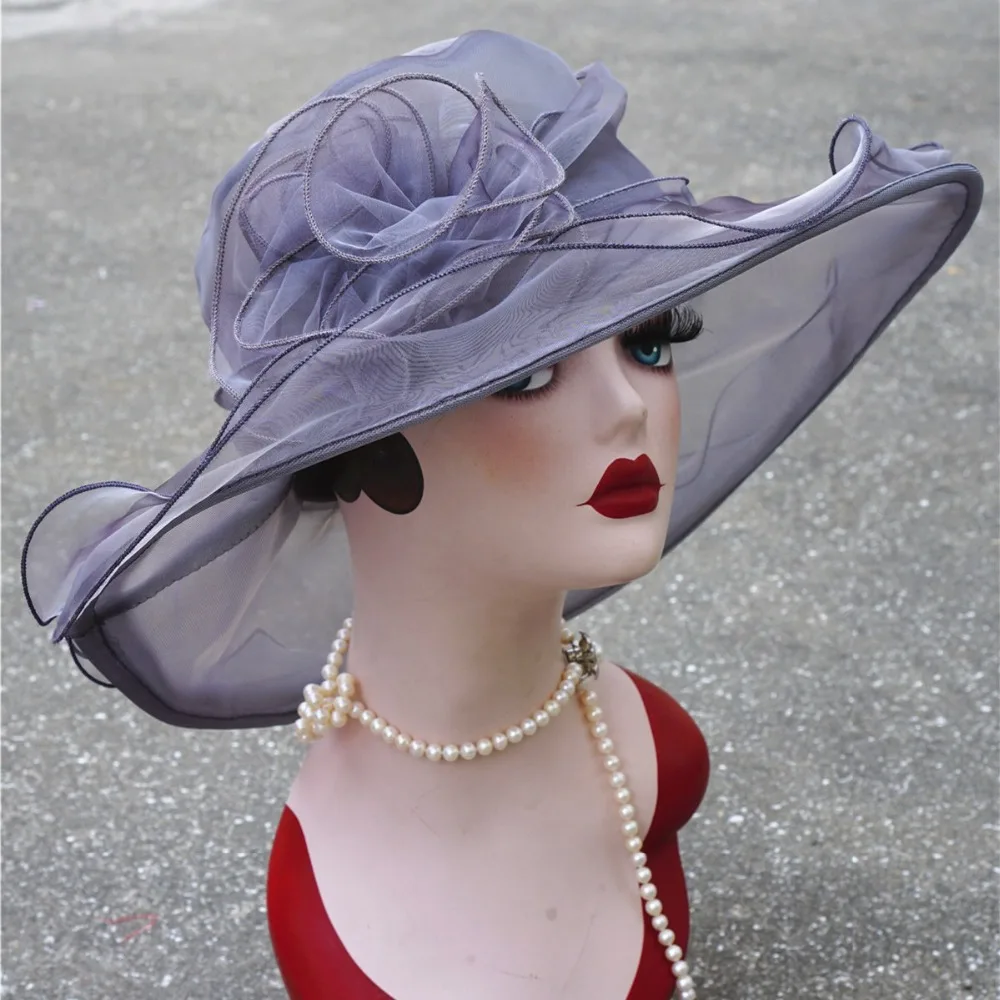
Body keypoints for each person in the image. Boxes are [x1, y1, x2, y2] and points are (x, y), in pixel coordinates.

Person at [20, 29, 981, 1000]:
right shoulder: (350, 908)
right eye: (524, 371)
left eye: (649, 341)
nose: (628, 406)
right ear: (365, 447)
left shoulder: (647, 753)